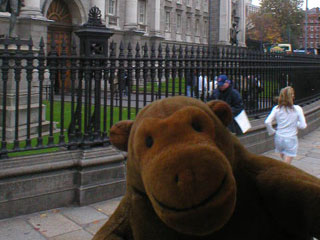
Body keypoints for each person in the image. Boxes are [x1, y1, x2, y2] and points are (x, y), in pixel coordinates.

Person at [264, 86, 307, 164]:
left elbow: (267, 122)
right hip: (291, 138)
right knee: (286, 165)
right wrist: (295, 123)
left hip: (279, 137)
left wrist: (272, 131)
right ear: (292, 96)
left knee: (284, 160)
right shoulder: (297, 109)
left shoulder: (276, 108)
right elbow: (303, 126)